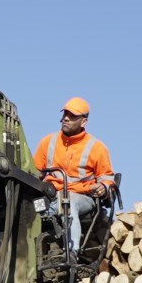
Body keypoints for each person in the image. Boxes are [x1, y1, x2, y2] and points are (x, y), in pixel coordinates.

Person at [33, 96, 116, 226]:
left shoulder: (97, 148)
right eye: (65, 113)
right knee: (29, 208)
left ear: (83, 122)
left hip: (82, 197)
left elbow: (108, 179)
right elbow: (34, 172)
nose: (66, 118)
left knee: (67, 204)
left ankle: (73, 247)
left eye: (72, 115)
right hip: (51, 195)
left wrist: (103, 188)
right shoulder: (47, 142)